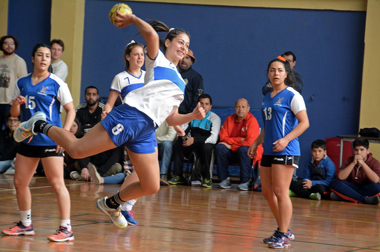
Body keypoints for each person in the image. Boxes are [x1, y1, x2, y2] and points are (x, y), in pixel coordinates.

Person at [13, 12, 205, 229]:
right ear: (168, 42)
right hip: (130, 116)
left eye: (186, 44)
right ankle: (39, 125)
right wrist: (132, 18)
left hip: (147, 129)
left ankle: (112, 203)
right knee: (75, 150)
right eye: (180, 42)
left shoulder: (181, 82)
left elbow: (170, 118)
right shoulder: (157, 60)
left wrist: (192, 116)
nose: (183, 47)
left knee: (151, 184)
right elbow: (151, 34)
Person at [2, 44, 76, 242]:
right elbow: (14, 115)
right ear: (33, 58)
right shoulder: (22, 82)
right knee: (19, 183)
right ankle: (26, 224)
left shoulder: (57, 83)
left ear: (51, 61)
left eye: (48, 56)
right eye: (40, 55)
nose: (44, 59)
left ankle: (66, 228)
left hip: (51, 140)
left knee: (57, 183)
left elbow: (71, 110)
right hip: (28, 139)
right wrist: (16, 105)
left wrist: (64, 135)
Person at [248, 56, 309, 249]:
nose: (276, 73)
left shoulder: (292, 95)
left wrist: (285, 140)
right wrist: (256, 142)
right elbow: (267, 126)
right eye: (273, 70)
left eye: (280, 70)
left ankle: (283, 233)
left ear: (286, 73)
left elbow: (304, 123)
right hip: (268, 149)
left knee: (281, 191)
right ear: (268, 73)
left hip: (287, 150)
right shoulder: (267, 97)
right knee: (267, 192)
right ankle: (284, 229)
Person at [168, 94, 221, 188]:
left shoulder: (215, 118)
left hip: (205, 145)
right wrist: (185, 139)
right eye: (201, 103)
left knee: (207, 147)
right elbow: (182, 131)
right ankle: (178, 175)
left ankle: (207, 178)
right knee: (178, 144)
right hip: (192, 144)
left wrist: (194, 140)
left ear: (210, 106)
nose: (204, 106)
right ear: (197, 105)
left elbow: (213, 139)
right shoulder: (192, 116)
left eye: (206, 104)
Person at [215, 98, 263, 191]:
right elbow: (223, 138)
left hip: (248, 154)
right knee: (220, 147)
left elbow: (250, 142)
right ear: (234, 108)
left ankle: (245, 181)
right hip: (233, 153)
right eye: (238, 107)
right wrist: (240, 140)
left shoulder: (252, 121)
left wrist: (231, 145)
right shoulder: (229, 119)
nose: (240, 109)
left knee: (244, 149)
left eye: (243, 107)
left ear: (248, 108)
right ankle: (225, 179)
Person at [101, 40, 145, 120]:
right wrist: (105, 115)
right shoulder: (120, 77)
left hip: (146, 121)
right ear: (128, 57)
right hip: (128, 120)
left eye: (142, 54)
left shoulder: (148, 75)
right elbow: (110, 104)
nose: (140, 57)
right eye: (136, 54)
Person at [330, 138, 380, 205]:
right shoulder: (349, 160)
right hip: (352, 188)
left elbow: (376, 180)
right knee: (334, 183)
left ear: (368, 151)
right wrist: (353, 163)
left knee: (378, 187)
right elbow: (340, 177)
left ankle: (348, 197)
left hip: (367, 188)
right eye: (356, 150)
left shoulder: (374, 162)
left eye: (362, 150)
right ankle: (363, 199)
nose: (358, 153)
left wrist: (363, 164)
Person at [0, 35, 28, 130]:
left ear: (15, 45)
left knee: (11, 130)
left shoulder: (19, 61)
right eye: (6, 43)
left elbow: (24, 83)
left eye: (12, 43)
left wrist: (17, 101)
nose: (9, 46)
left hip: (10, 102)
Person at [178, 49, 204, 114]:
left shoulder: (196, 77)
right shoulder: (173, 73)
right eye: (182, 57)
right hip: (171, 114)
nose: (184, 60)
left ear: (191, 61)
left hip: (187, 116)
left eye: (187, 58)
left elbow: (198, 97)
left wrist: (190, 114)